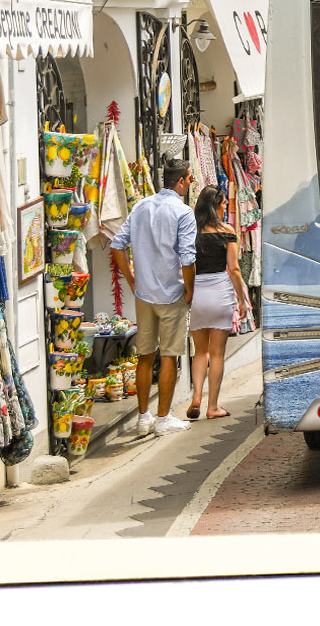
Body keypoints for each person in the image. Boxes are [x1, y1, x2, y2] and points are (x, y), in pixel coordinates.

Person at [111, 158, 197, 436]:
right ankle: (162, 420)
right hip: (171, 294)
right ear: (181, 181)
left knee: (145, 355)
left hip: (144, 294)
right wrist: (190, 289)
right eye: (190, 179)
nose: (191, 183)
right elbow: (187, 258)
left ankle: (143, 418)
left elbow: (116, 245)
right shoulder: (183, 213)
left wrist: (132, 278)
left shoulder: (141, 206)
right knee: (169, 356)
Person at [185, 185, 250, 420]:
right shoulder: (227, 231)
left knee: (200, 352)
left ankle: (195, 398)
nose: (225, 208)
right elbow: (233, 269)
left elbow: (186, 265)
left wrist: (188, 291)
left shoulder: (191, 232)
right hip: (221, 293)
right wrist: (242, 300)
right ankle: (212, 407)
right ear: (216, 205)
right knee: (218, 354)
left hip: (199, 295)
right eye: (224, 204)